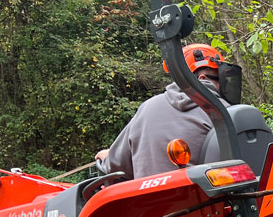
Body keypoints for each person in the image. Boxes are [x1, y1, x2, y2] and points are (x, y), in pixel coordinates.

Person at [96, 43, 228, 179]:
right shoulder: (226, 112)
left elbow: (116, 165)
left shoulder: (147, 108)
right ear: (202, 78)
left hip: (149, 199)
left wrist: (108, 157)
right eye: (220, 79)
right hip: (207, 198)